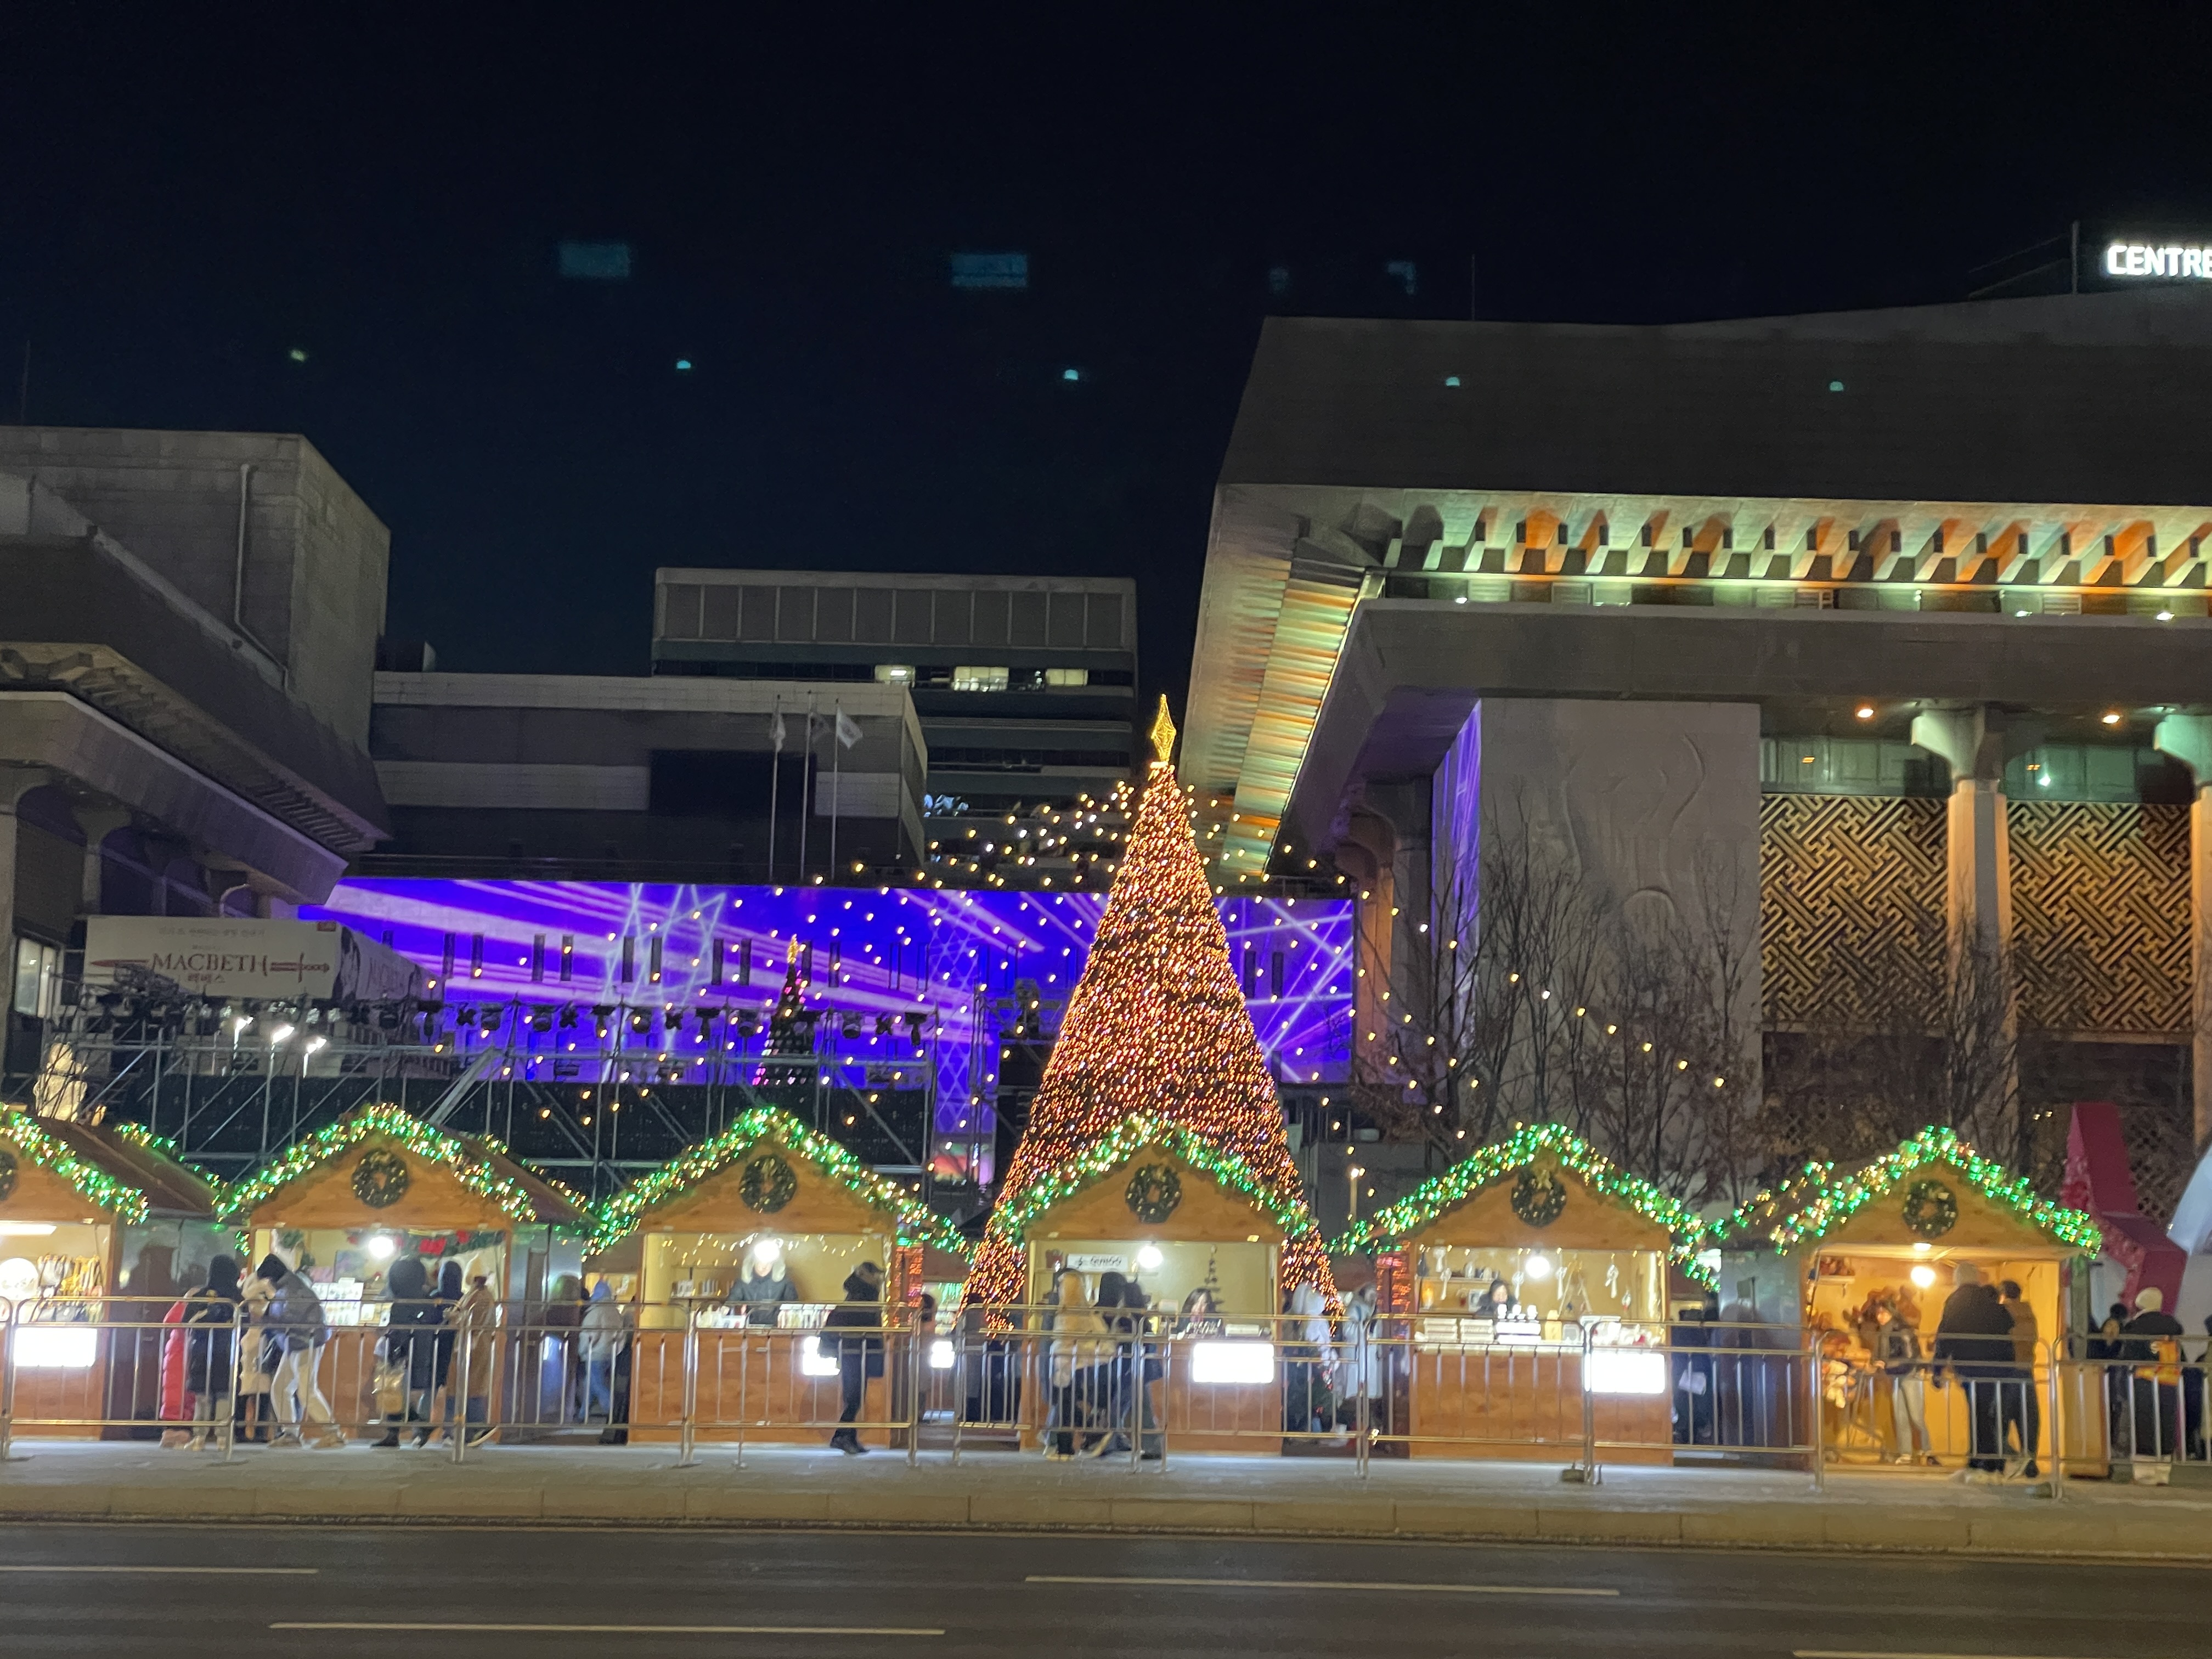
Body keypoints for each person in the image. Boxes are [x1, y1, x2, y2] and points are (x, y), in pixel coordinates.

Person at [1932, 1262, 2013, 1477]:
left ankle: (1982, 1460)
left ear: (1958, 1278)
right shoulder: (1990, 1299)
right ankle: (1989, 1460)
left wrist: (1937, 1369)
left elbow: (1945, 1335)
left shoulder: (1955, 1301)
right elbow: (2006, 1324)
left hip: (1970, 1366)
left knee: (1978, 1412)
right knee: (1990, 1413)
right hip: (1998, 1366)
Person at [258, 1253, 340, 1448]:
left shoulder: (292, 1290)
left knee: (305, 1391)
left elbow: (290, 1320)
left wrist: (263, 1319)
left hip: (304, 1343)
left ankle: (333, 1433)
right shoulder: (292, 1286)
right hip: (298, 1343)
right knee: (281, 1387)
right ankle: (290, 1433)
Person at [375, 1256, 442, 1448]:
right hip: (421, 1351)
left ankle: (413, 1426)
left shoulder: (401, 1301)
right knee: (398, 1394)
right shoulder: (426, 1299)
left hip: (402, 1352)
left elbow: (397, 1328)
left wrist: (393, 1349)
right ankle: (399, 1432)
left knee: (393, 1391)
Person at [823, 1261, 886, 1454]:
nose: (879, 1279)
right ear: (864, 1275)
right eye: (875, 1275)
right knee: (854, 1397)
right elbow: (856, 1320)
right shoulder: (863, 1294)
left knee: (856, 1396)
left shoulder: (863, 1293)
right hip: (855, 1349)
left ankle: (846, 1437)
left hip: (856, 1349)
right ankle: (843, 1437)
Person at [181, 1255, 242, 1452]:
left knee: (203, 1395)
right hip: (228, 1352)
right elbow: (246, 1325)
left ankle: (199, 1438)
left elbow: (185, 1322)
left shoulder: (201, 1295)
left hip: (201, 1350)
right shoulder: (237, 1297)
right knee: (224, 1395)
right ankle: (223, 1439)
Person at [1046, 1268, 1107, 1458]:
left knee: (1066, 1405)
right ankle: (1075, 1441)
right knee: (1074, 1405)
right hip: (1084, 1367)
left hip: (1066, 1367)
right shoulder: (1087, 1311)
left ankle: (1065, 1446)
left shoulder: (1063, 1311)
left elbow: (1063, 1339)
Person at [2121, 1286, 2186, 1466]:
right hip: (2169, 1381)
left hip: (2144, 1380)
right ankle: (2164, 1468)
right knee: (2166, 1422)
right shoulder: (2173, 1326)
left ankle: (2145, 1471)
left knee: (2144, 1424)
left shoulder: (2136, 1326)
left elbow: (2128, 1356)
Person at [1871, 1299, 1934, 1466]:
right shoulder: (1882, 1332)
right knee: (1900, 1416)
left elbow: (1909, 1358)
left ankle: (1927, 1451)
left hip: (1910, 1374)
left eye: (1884, 1313)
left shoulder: (1902, 1331)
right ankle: (1906, 1453)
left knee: (1916, 1416)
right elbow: (1879, 1355)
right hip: (1895, 1375)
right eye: (1878, 1313)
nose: (1880, 1317)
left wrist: (1886, 1364)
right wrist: (1877, 1362)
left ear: (1892, 1313)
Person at [446, 1270, 500, 1447]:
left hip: (472, 1347)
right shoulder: (483, 1295)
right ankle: (467, 1432)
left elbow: (472, 1321)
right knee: (469, 1388)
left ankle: (472, 1429)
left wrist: (453, 1316)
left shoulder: (479, 1297)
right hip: (474, 1346)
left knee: (468, 1389)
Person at [1997, 1279, 2041, 1479]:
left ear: (2003, 1294)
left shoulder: (2001, 1314)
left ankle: (2010, 1459)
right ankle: (2030, 1462)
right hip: (2026, 1371)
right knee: (2028, 1421)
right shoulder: (2029, 1315)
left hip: (2006, 1371)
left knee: (1999, 1422)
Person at [425, 1260, 464, 1445]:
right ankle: (450, 1433)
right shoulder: (463, 1299)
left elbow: (428, 1322)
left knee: (430, 1389)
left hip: (435, 1348)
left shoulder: (435, 1296)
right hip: (457, 1349)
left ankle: (421, 1430)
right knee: (453, 1392)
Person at [579, 1279, 625, 1421]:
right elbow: (621, 1335)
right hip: (609, 1354)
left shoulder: (595, 1312)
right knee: (591, 1383)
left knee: (597, 1384)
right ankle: (583, 1414)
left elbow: (589, 1335)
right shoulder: (615, 1313)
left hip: (595, 1354)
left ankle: (613, 1411)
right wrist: (616, 1351)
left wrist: (582, 1351)